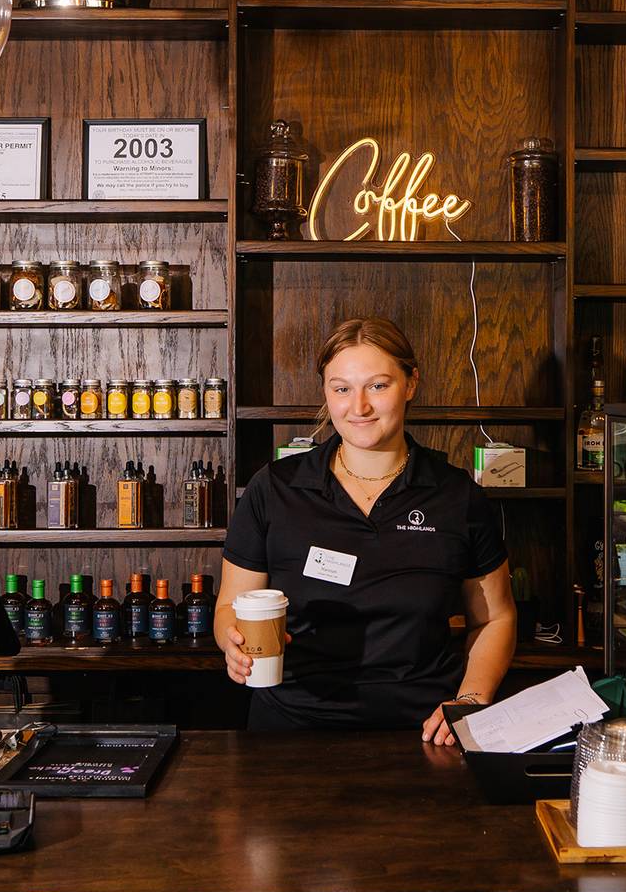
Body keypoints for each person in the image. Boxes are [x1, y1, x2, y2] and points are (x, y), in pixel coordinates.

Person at [215, 316, 517, 743]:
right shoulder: (276, 488)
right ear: (325, 391)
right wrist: (232, 643)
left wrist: (470, 700)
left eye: (378, 385)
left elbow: (495, 618)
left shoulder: (456, 496)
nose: (359, 408)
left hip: (424, 733)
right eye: (342, 389)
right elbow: (229, 606)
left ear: (410, 384)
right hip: (291, 730)